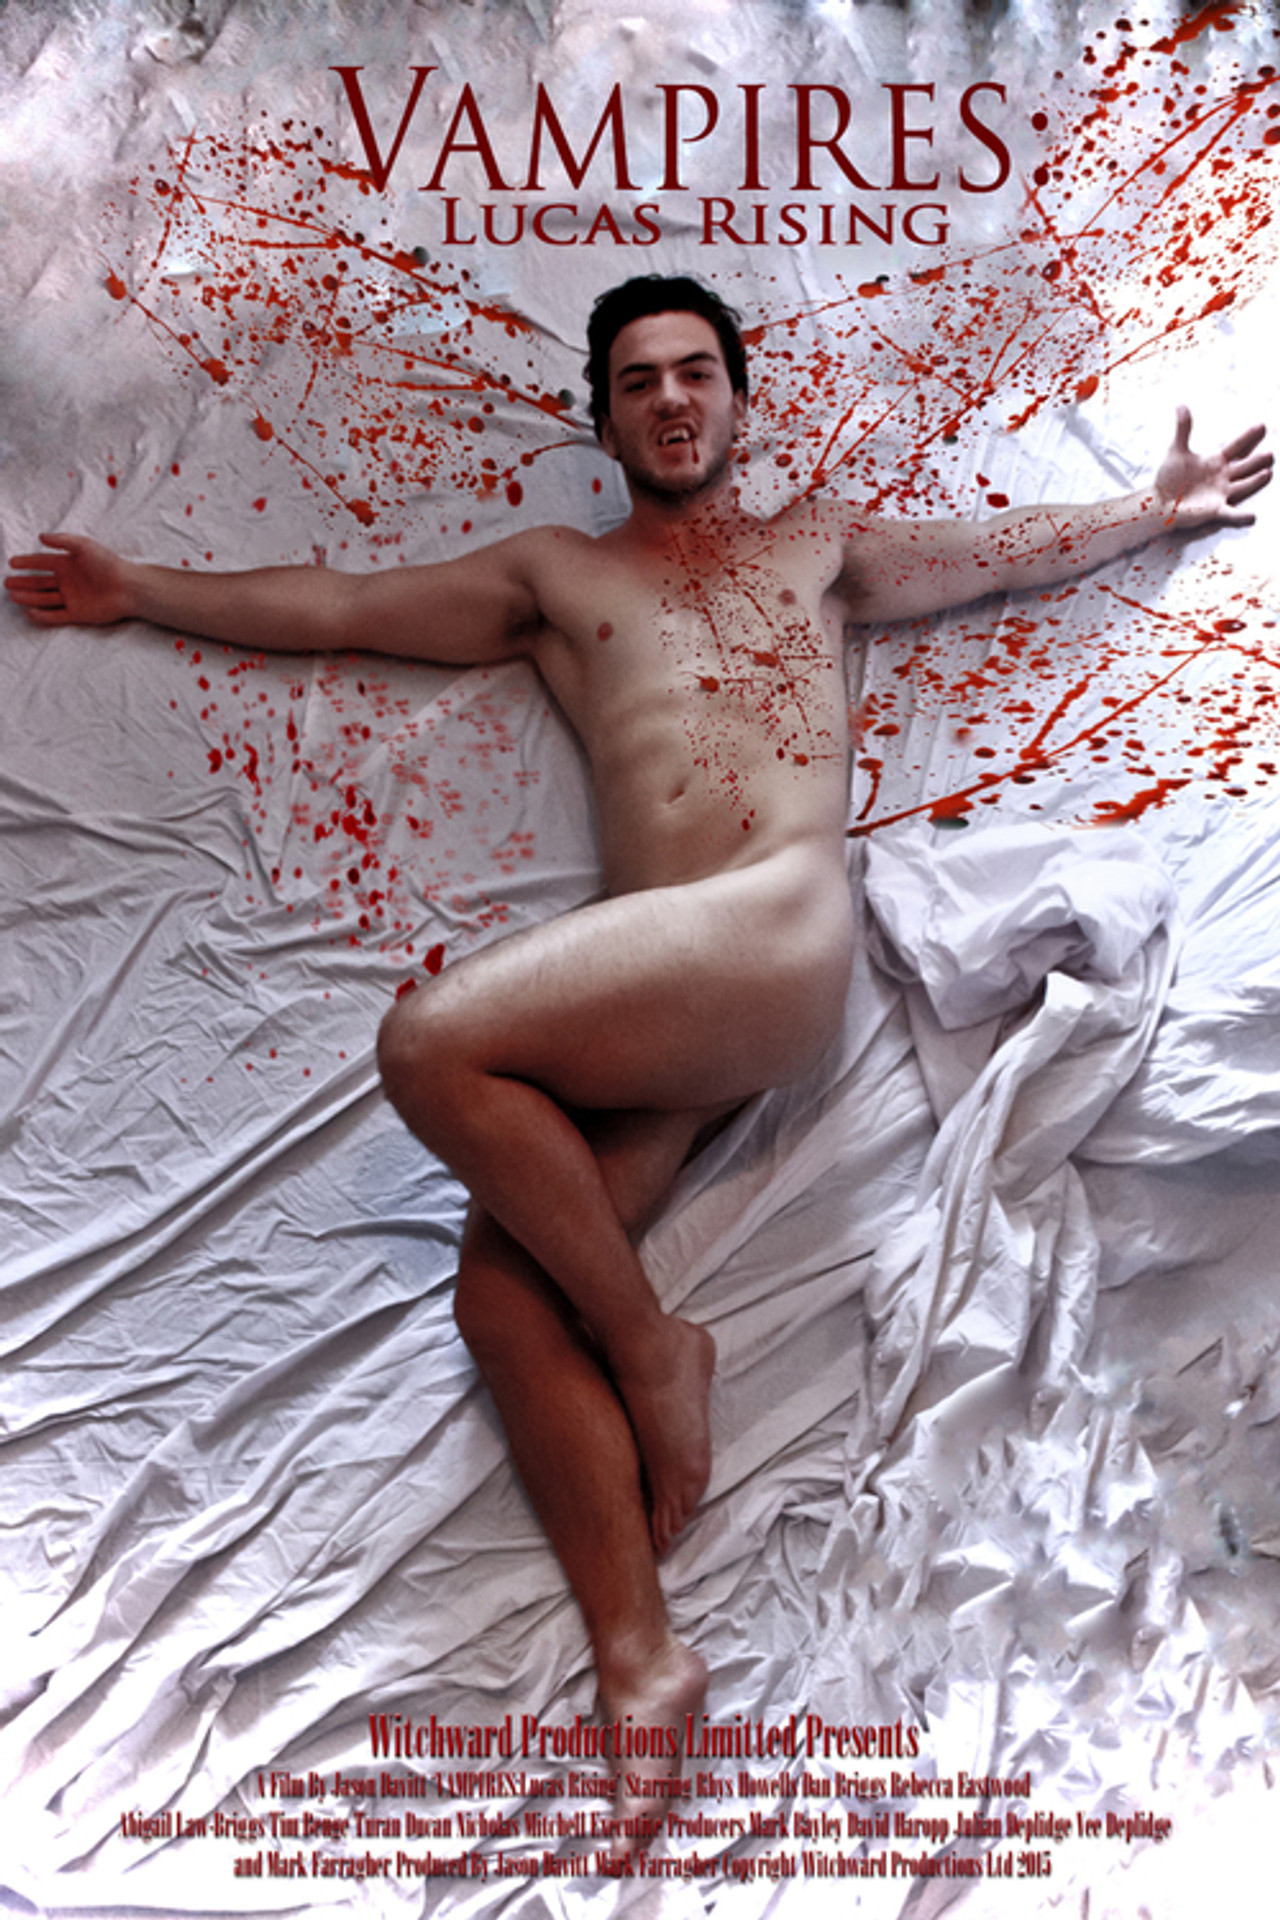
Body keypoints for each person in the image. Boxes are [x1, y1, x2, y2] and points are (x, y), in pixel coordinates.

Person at [5, 275, 1271, 1837]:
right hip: (661, 1003)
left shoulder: (817, 543)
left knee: (429, 1042)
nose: (670, 398)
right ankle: (640, 1656)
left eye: (693, 372)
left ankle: (656, 1348)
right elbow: (339, 605)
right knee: (496, 1295)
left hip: (780, 930)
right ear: (604, 422)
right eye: (637, 381)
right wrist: (137, 585)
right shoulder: (557, 576)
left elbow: (993, 552)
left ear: (736, 399)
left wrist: (1151, 508)